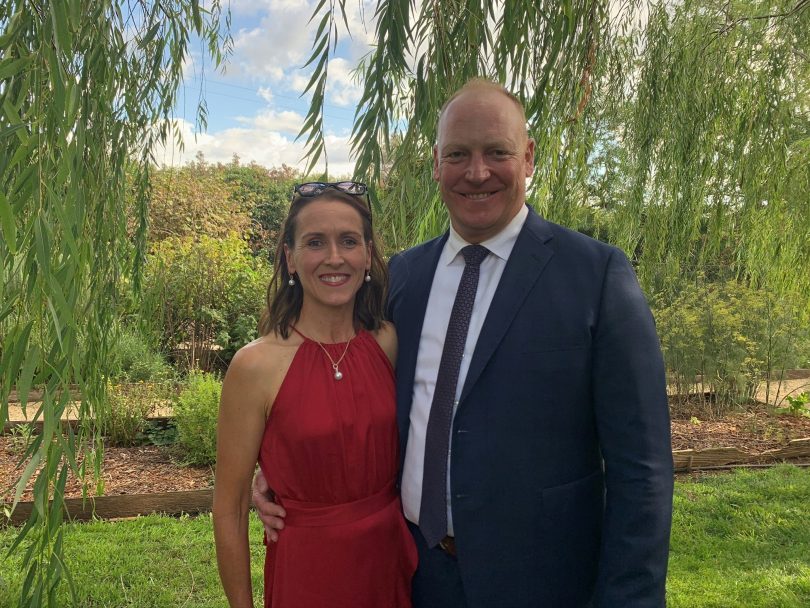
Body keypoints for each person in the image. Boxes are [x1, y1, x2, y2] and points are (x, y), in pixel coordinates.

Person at [254, 79, 674, 607]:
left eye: (496, 152)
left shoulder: (597, 276)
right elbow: (339, 376)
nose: (477, 173)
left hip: (545, 582)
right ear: (436, 164)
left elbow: (643, 469)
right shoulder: (403, 277)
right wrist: (276, 464)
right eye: (458, 154)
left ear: (528, 157)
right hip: (414, 572)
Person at [213, 181, 417, 608]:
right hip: (307, 571)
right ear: (290, 257)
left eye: (348, 241)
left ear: (367, 255)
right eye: (315, 242)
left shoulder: (388, 344)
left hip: (389, 564)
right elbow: (228, 508)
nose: (335, 257)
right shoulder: (255, 367)